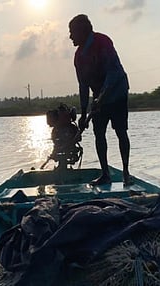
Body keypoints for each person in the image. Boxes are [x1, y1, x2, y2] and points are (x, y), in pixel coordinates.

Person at [68, 14, 132, 186]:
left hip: (117, 92)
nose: (70, 37)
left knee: (120, 131)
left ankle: (126, 173)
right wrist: (83, 113)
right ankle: (105, 174)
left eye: (72, 32)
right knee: (99, 133)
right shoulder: (78, 57)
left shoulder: (102, 42)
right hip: (99, 98)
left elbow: (112, 71)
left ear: (82, 31)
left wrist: (102, 96)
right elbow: (83, 85)